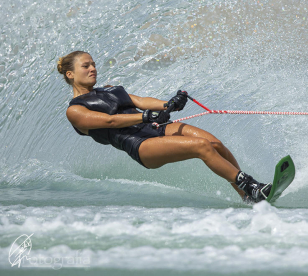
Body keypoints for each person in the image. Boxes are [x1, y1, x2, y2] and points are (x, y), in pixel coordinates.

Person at [58, 51, 271, 203]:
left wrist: (168, 104)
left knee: (216, 144)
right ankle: (251, 186)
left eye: (93, 64)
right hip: (140, 144)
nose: (93, 68)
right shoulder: (75, 110)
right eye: (86, 66)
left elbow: (140, 100)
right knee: (201, 146)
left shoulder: (108, 90)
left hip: (155, 127)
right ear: (70, 74)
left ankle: (246, 196)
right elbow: (109, 121)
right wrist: (144, 117)